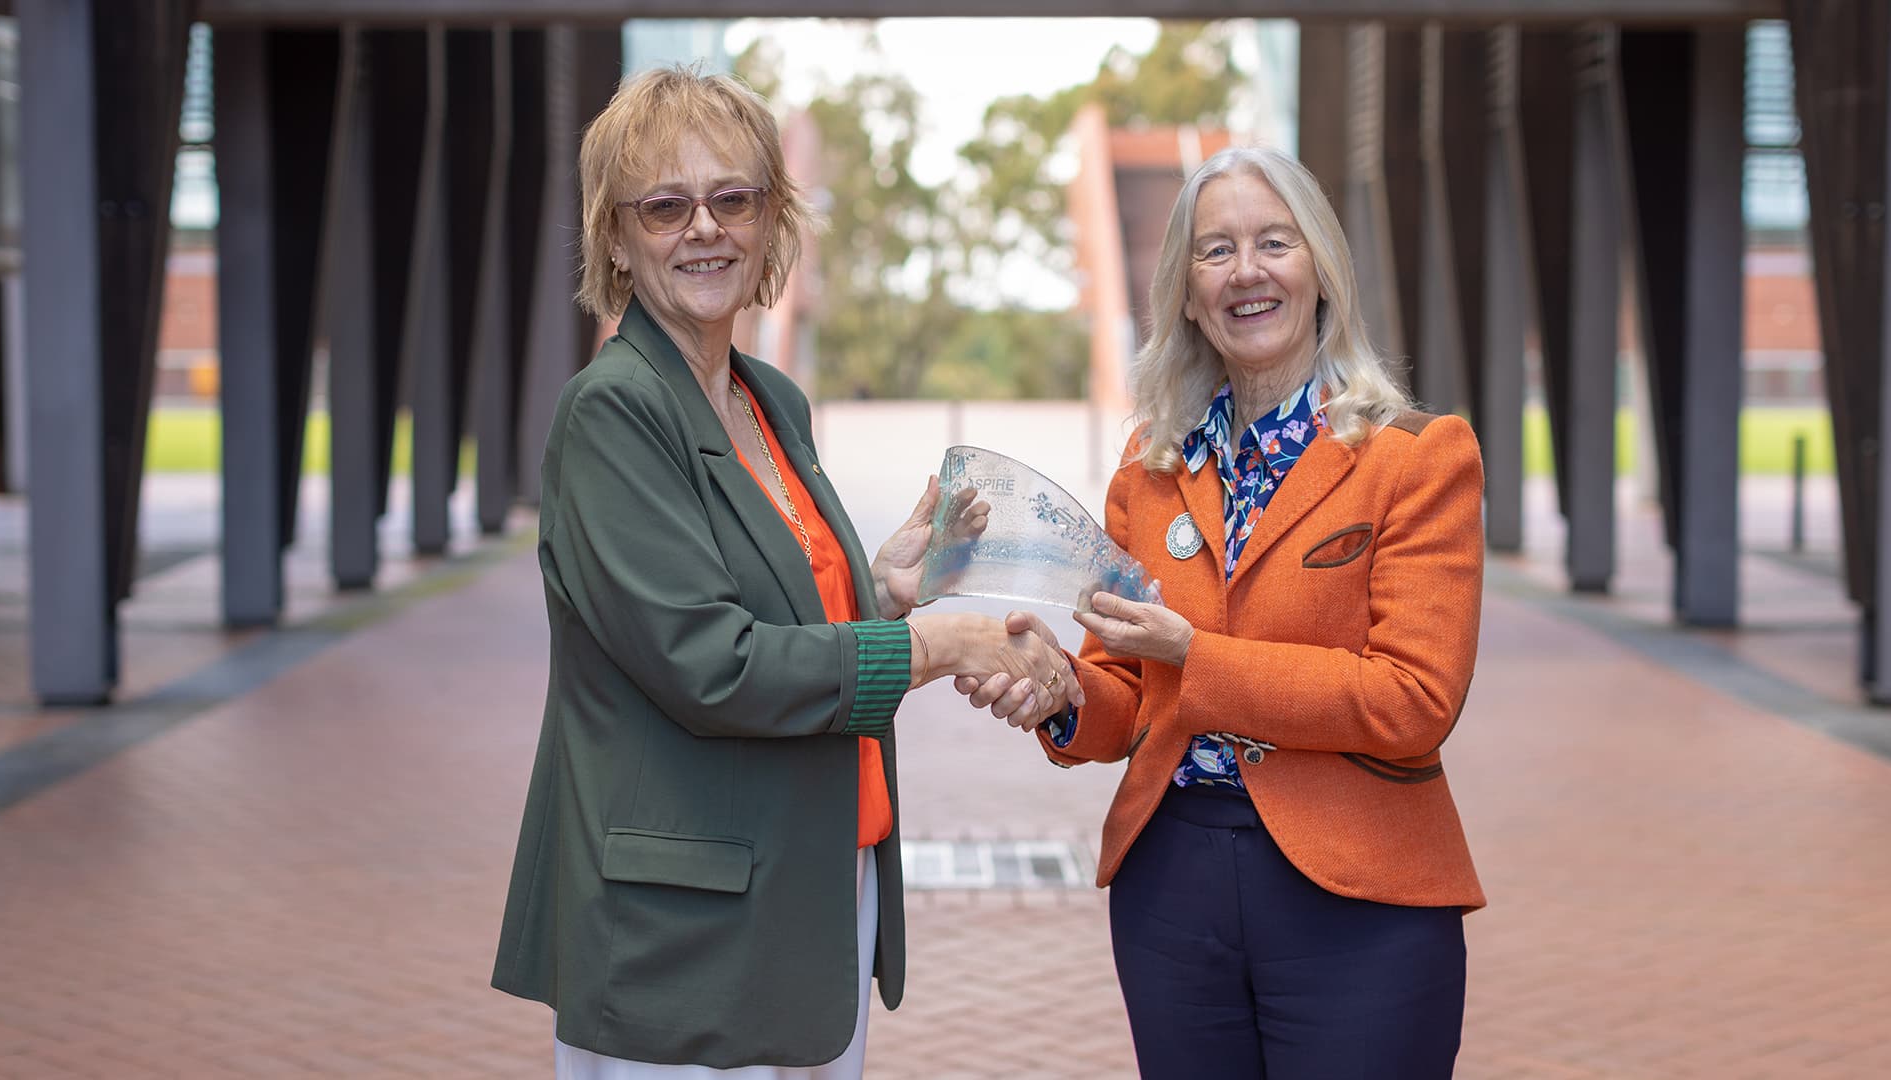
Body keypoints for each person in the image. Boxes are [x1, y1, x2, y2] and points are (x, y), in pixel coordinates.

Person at [491, 66, 1081, 1079]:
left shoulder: (767, 399)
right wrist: (935, 643)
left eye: (735, 198)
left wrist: (885, 588)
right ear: (617, 238)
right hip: (684, 922)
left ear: (773, 220)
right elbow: (710, 663)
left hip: (812, 873)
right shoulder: (613, 415)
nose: (705, 228)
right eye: (666, 205)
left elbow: (769, 604)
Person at [960, 145, 1486, 1078]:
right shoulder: (1151, 466)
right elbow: (1131, 690)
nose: (1247, 271)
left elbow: (1412, 701)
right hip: (1174, 887)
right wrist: (1061, 691)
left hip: (1359, 893)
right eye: (1216, 251)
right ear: (1188, 293)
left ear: (1320, 270)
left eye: (1273, 242)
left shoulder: (1417, 458)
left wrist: (1195, 657)